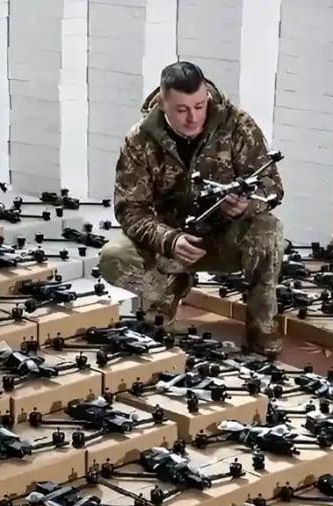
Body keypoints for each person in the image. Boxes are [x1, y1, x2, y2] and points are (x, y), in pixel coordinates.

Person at [99, 61, 286, 357]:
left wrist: (245, 205)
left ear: (207, 96)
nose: (193, 117)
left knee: (269, 229)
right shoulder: (139, 140)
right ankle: (167, 292)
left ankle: (262, 326)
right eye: (182, 109)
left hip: (224, 237)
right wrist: (169, 240)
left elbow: (272, 186)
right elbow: (129, 210)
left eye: (199, 106)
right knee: (113, 257)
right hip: (170, 243)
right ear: (163, 103)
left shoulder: (237, 125)